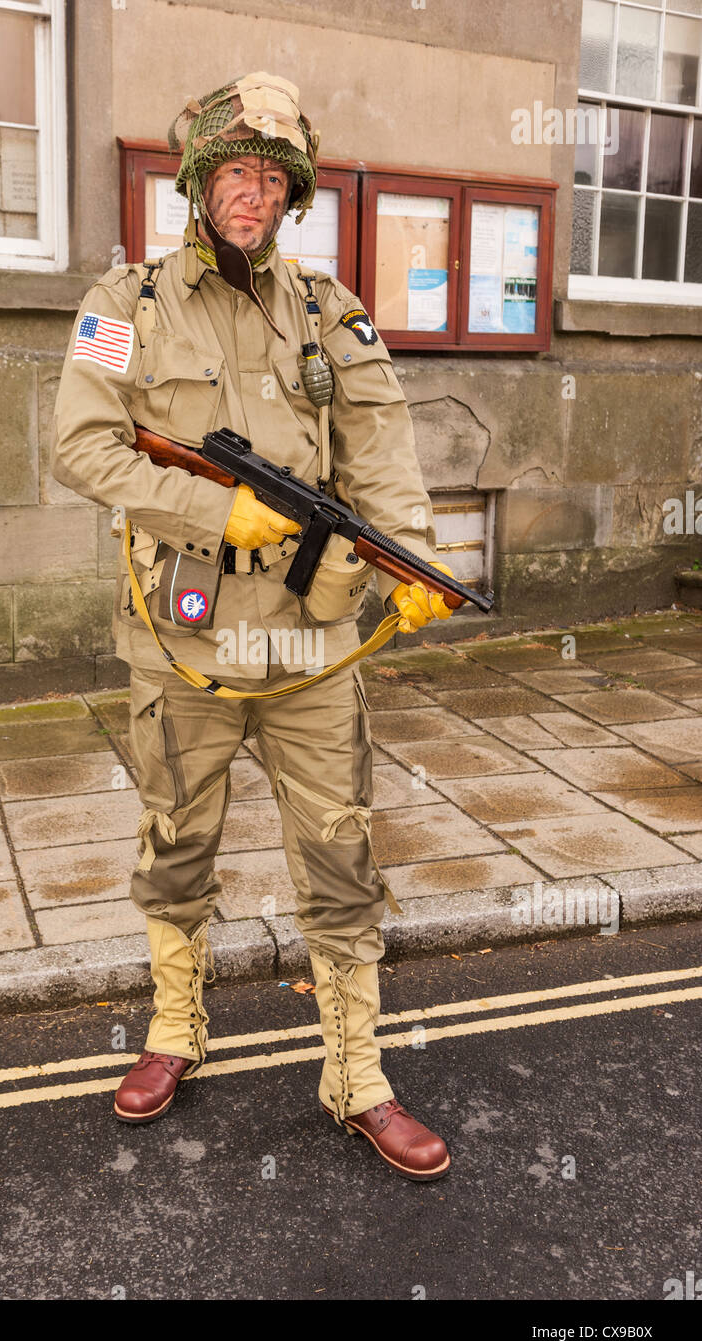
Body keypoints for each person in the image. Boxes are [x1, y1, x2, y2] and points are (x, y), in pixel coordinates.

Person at [51, 72, 457, 1181]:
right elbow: (81, 447)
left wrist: (407, 558)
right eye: (234, 170)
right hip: (181, 641)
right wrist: (204, 505)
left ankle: (354, 1073)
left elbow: (381, 454)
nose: (253, 192)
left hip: (312, 645)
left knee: (340, 852)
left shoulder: (334, 312)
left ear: (292, 194)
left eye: (271, 176)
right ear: (195, 184)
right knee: (175, 843)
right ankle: (177, 1028)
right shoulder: (119, 306)